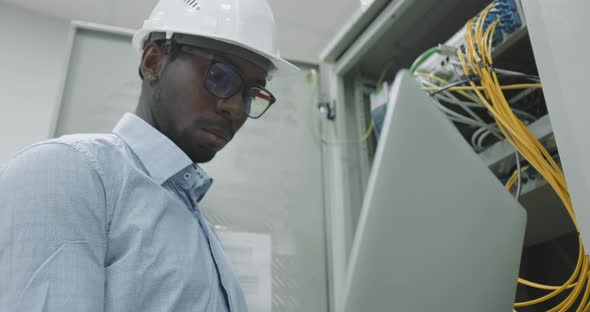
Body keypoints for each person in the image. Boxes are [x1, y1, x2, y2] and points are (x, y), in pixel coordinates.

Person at [0, 0, 298, 311]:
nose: (235, 108)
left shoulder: (198, 226)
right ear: (153, 61)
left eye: (251, 93)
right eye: (220, 76)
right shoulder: (67, 172)